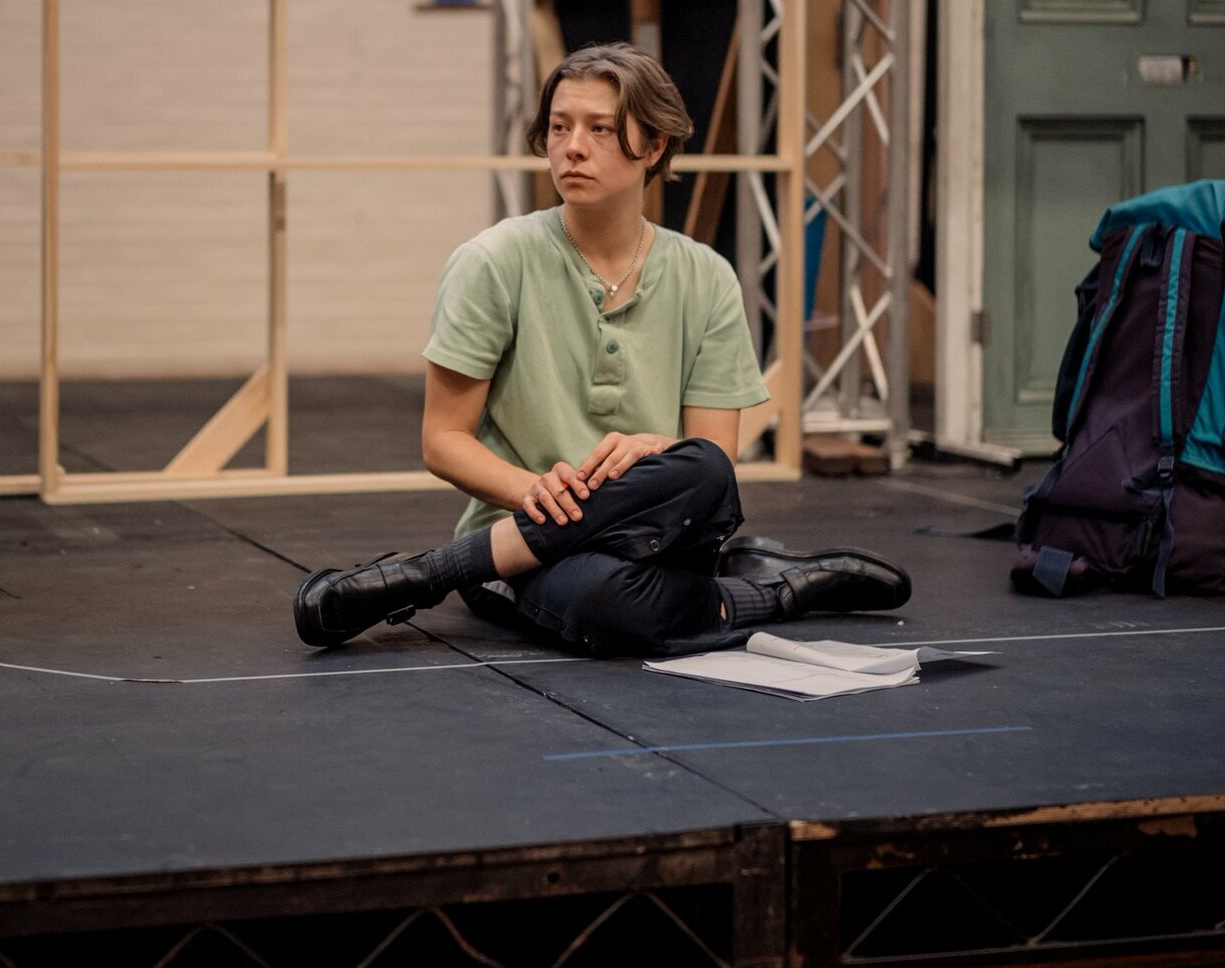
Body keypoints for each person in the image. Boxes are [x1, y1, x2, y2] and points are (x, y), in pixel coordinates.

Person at [292, 43, 911, 654]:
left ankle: (430, 573)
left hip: (658, 532)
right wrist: (537, 492)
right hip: (515, 542)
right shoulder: (491, 262)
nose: (572, 147)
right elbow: (442, 440)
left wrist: (658, 448)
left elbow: (714, 458)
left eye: (601, 129)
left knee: (700, 467)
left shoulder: (706, 274)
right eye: (560, 127)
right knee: (608, 603)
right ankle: (781, 589)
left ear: (655, 146)